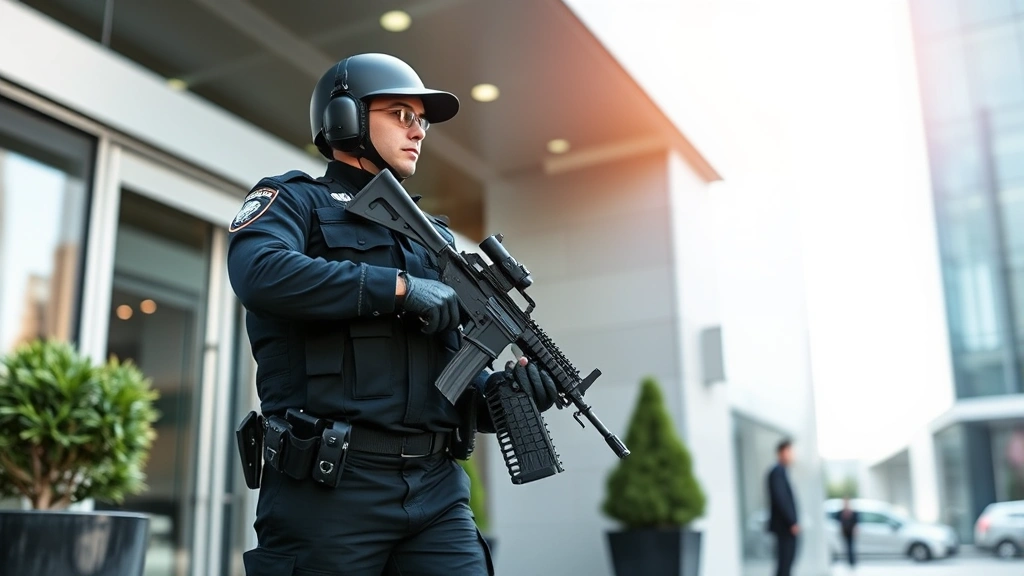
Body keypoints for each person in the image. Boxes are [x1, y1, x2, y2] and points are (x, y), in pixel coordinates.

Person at [227, 52, 558, 576]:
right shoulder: (294, 201)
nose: (419, 131)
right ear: (345, 118)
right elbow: (260, 272)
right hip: (328, 489)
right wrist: (399, 289)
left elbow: (451, 385)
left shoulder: (436, 240)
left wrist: (508, 396)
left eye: (421, 120)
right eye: (401, 114)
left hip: (437, 491)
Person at [767, 438, 799, 576]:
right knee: (784, 565)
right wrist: (792, 522)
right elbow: (782, 500)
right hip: (785, 527)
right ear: (782, 452)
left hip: (786, 527)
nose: (792, 455)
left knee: (786, 565)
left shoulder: (781, 472)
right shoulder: (777, 472)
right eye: (790, 451)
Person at [839, 496, 859, 568]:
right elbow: (840, 522)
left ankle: (852, 562)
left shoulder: (852, 511)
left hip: (851, 531)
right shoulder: (842, 512)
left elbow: (855, 521)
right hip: (845, 531)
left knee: (851, 547)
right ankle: (849, 561)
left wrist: (855, 529)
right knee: (847, 547)